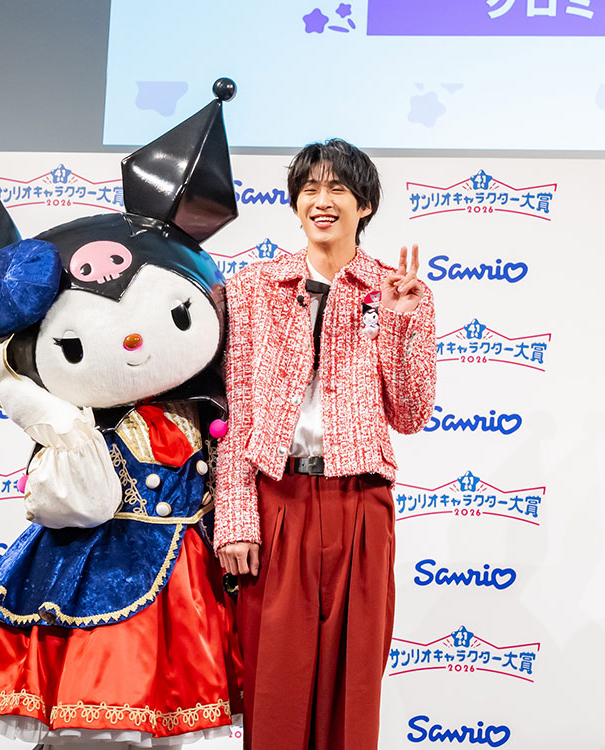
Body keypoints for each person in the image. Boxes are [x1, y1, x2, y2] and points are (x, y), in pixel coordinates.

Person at [214, 139, 436, 750]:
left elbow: (410, 414)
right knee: (274, 687)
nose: (322, 201)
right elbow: (234, 410)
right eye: (310, 189)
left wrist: (399, 322)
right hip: (276, 499)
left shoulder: (397, 290)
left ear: (365, 205)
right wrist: (236, 519)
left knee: (354, 687)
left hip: (360, 503)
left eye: (338, 188)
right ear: (294, 204)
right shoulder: (253, 287)